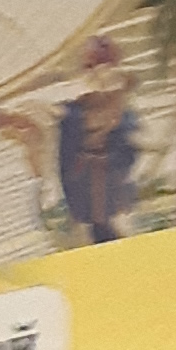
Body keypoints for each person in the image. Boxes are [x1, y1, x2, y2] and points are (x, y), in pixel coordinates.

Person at [57, 38, 140, 242]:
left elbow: (129, 147)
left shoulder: (123, 110)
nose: (96, 72)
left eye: (101, 64)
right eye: (90, 66)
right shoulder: (73, 111)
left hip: (111, 184)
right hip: (83, 183)